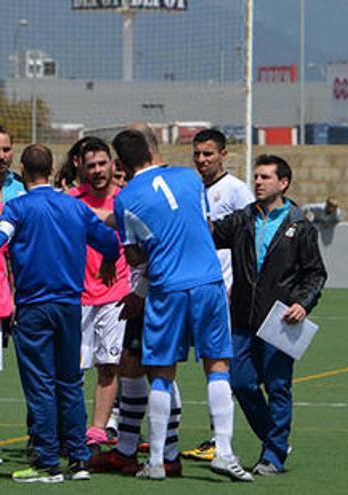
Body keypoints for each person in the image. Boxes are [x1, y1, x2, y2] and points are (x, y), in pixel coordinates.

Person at [106, 129, 252, 482]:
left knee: (160, 371)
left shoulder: (125, 199)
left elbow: (135, 253)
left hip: (166, 288)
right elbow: (202, 226)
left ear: (121, 165)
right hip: (207, 282)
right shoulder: (190, 178)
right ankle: (226, 453)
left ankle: (155, 461)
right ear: (153, 150)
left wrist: (141, 286)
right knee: (217, 365)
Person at [0, 144, 119, 483]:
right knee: (70, 381)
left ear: (23, 170)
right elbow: (110, 243)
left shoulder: (17, 207)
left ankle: (46, 460)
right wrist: (105, 260)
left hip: (33, 307)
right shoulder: (75, 208)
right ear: (52, 168)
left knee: (40, 384)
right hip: (71, 306)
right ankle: (79, 458)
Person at [211, 154, 327, 476]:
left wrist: (303, 303)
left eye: (265, 177)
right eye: (256, 177)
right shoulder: (243, 219)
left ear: (283, 183)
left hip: (280, 321)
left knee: (278, 387)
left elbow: (315, 274)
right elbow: (210, 233)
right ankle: (274, 440)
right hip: (242, 319)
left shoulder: (300, 225)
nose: (258, 182)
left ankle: (273, 456)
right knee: (239, 381)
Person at [90, 124, 184, 478]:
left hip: (155, 290)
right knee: (130, 364)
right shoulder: (143, 189)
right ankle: (127, 449)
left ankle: (168, 452)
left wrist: (140, 292)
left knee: (161, 369)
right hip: (145, 290)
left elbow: (146, 250)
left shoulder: (148, 190)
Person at [181, 128, 255, 462]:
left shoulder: (236, 190)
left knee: (220, 363)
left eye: (208, 154)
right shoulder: (190, 188)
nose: (201, 160)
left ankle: (224, 439)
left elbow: (251, 239)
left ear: (223, 154)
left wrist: (237, 284)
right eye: (197, 154)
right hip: (195, 287)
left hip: (223, 291)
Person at [67, 138, 131, 453]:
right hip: (77, 297)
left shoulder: (126, 200)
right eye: (90, 165)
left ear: (112, 164)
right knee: (73, 370)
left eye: (102, 164)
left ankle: (95, 433)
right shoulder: (70, 201)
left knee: (109, 366)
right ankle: (72, 432)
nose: (97, 171)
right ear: (80, 166)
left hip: (116, 295)